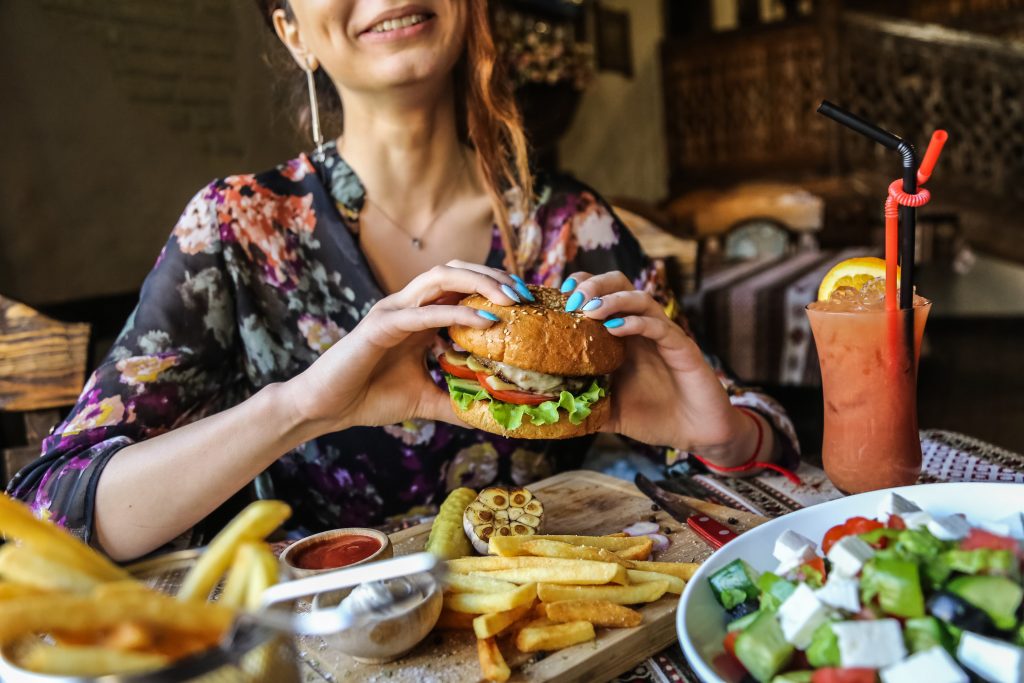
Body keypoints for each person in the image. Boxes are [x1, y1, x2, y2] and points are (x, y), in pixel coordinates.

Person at [8, 0, 798, 561]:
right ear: (292, 32)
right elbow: (49, 510)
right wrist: (297, 408)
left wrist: (720, 432)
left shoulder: (570, 227)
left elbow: (753, 431)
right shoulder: (236, 228)